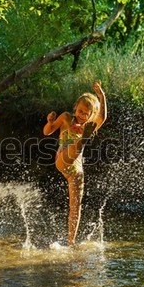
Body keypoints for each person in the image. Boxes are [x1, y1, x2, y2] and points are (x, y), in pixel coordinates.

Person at [43, 81, 107, 246]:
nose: (82, 115)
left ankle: (70, 242)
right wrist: (50, 122)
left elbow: (103, 117)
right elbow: (47, 131)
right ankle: (82, 142)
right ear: (75, 108)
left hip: (77, 170)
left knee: (76, 206)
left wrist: (102, 95)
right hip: (63, 159)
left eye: (86, 114)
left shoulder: (89, 125)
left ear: (91, 115)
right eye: (80, 111)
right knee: (75, 147)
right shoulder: (66, 118)